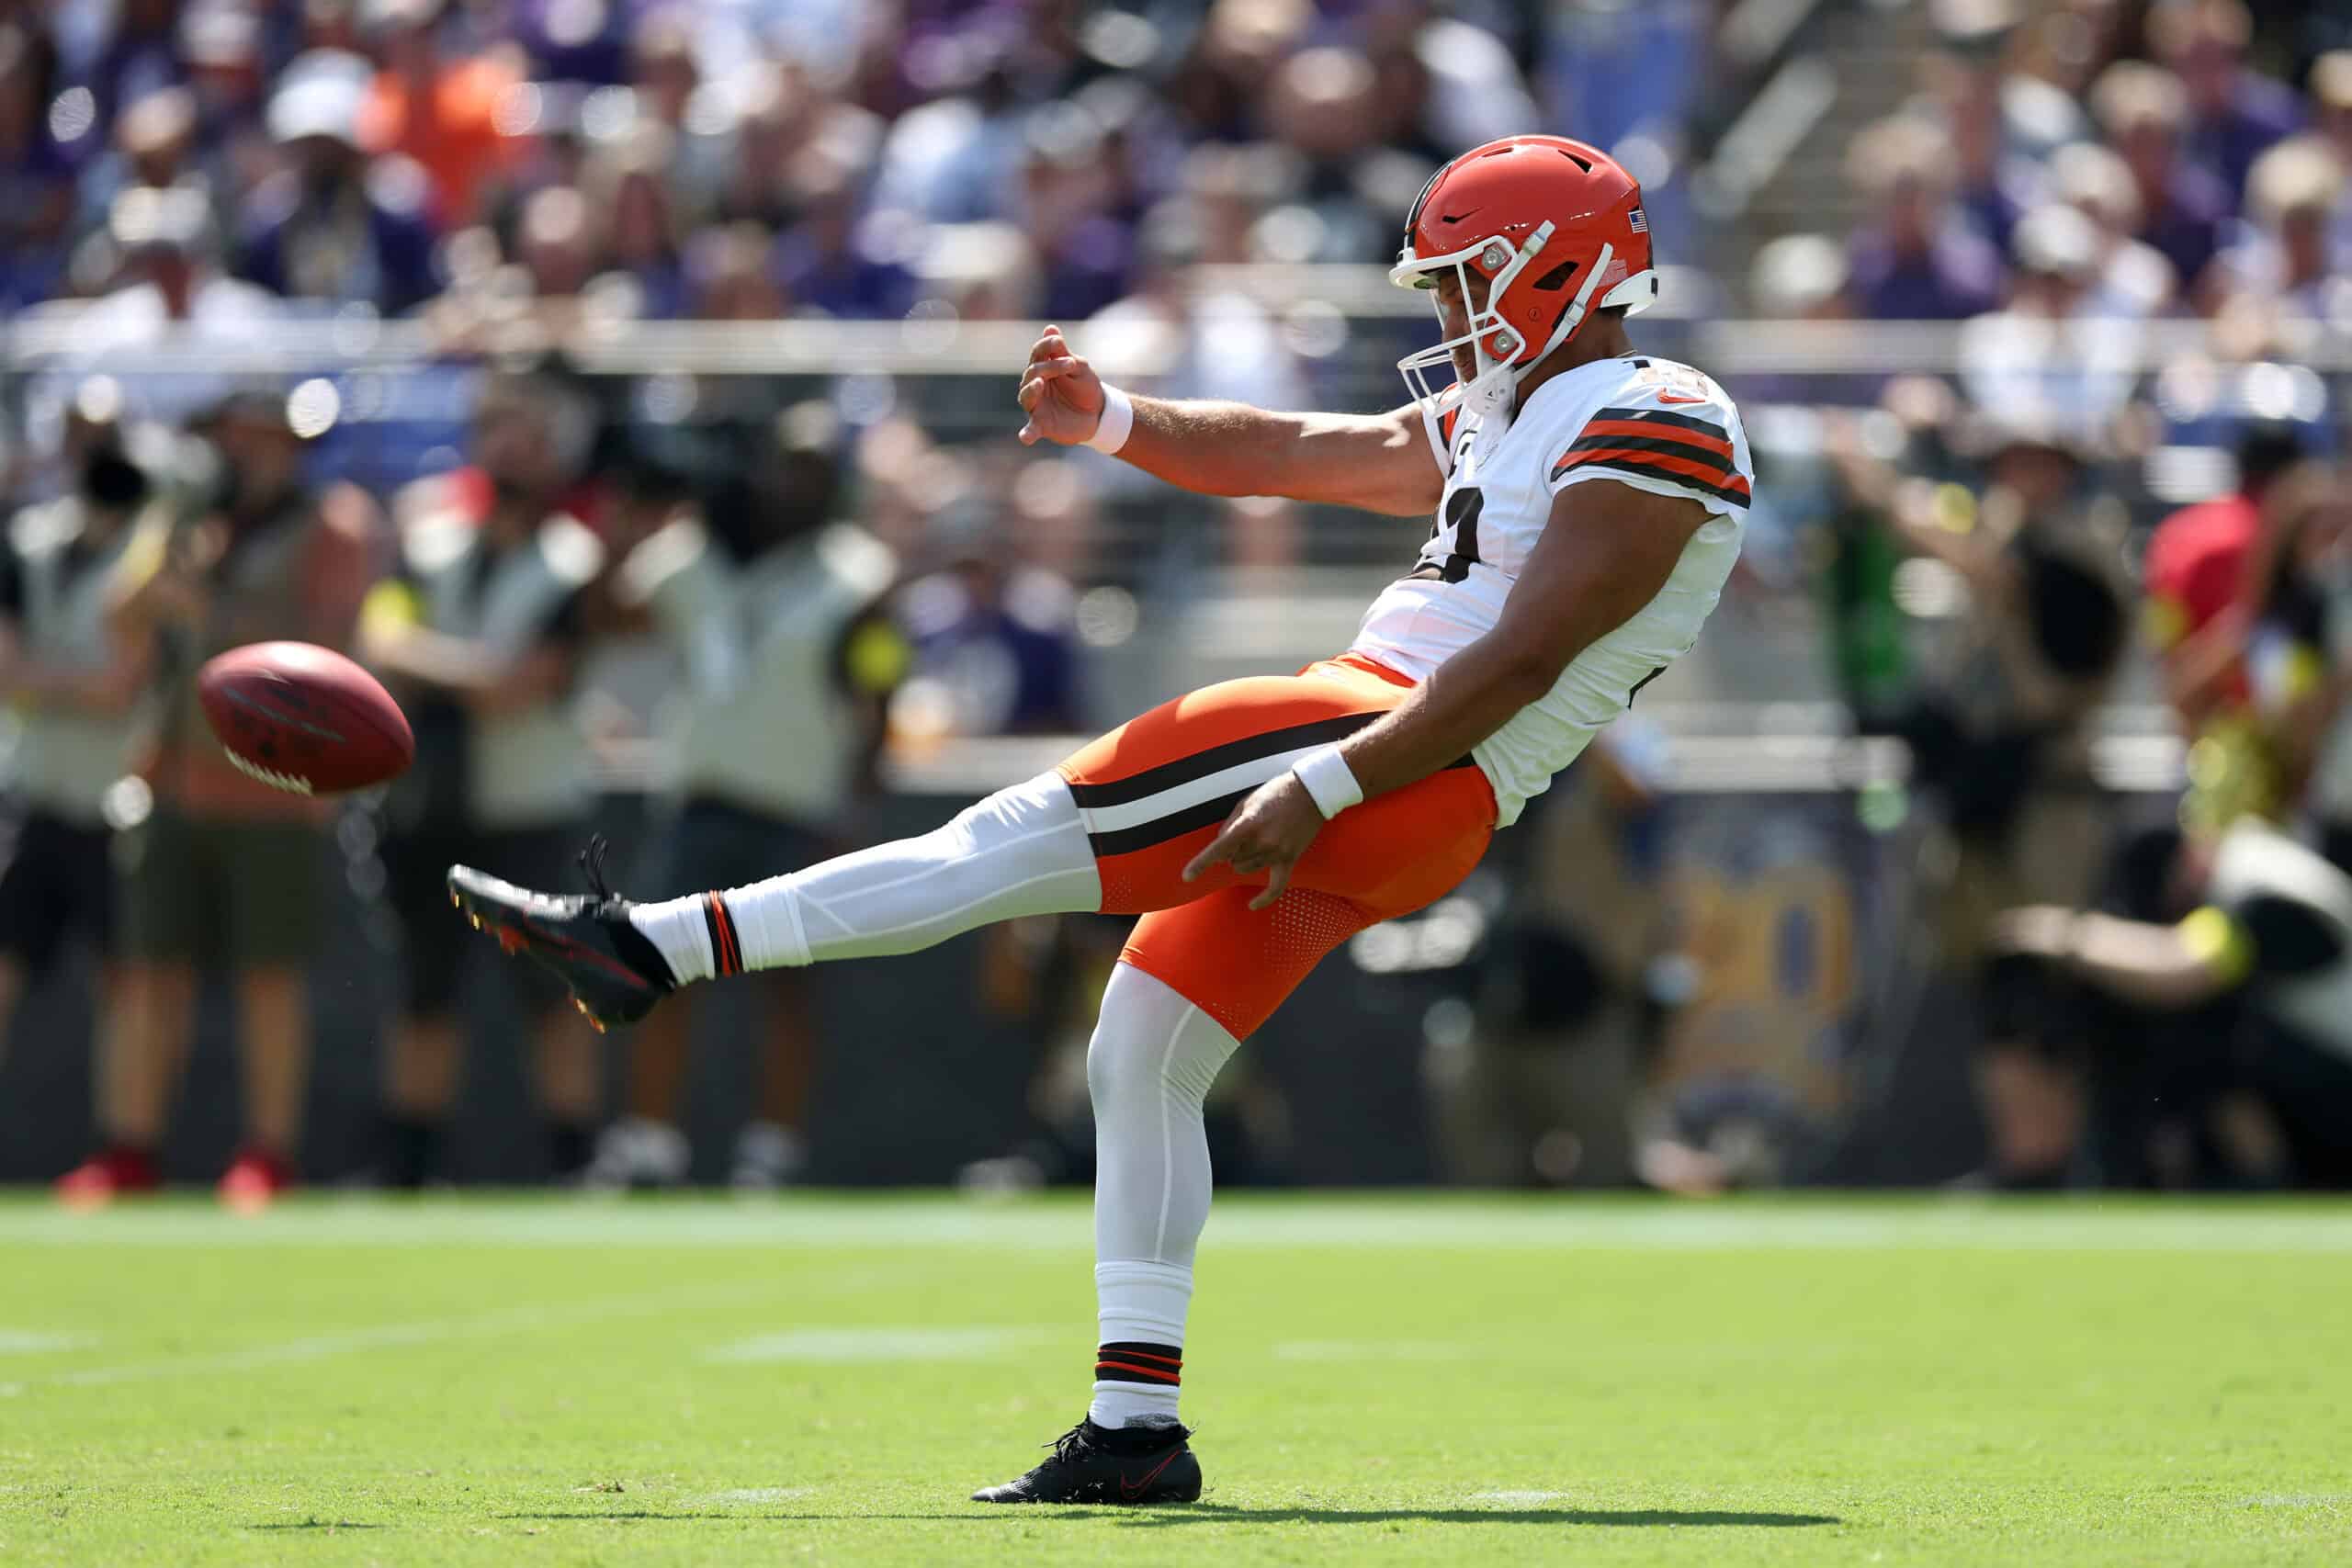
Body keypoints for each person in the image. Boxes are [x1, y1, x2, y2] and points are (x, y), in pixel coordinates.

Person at [449, 135, 1750, 1504]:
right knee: (1141, 1047)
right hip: (1422, 791)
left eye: (1463, 279)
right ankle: (1136, 1426)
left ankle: (652, 947)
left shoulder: (1659, 408)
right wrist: (1118, 418)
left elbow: (1525, 656)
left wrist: (1327, 776)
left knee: (1006, 839)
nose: (1444, 311)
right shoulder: (1527, 405)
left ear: (1561, 266)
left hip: (1386, 738)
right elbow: (1313, 449)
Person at [60, 387, 373, 1206]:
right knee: (148, 974)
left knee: (270, 979)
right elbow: (118, 616)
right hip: (170, 779)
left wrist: (212, 606)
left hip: (274, 795)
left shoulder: (334, 526)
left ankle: (268, 1151)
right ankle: (129, 1144)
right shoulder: (187, 518)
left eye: (267, 438)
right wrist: (166, 547)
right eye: (241, 436)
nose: (252, 452)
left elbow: (327, 647)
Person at [588, 406, 906, 1190]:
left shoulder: (857, 572)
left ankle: (771, 1154)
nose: (798, 483)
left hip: (796, 803)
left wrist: (858, 807)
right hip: (699, 794)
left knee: (790, 990)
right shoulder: (691, 554)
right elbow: (609, 617)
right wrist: (626, 518)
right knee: (661, 970)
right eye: (789, 463)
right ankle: (650, 1145)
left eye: (817, 470)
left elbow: (882, 688)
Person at [361, 372, 605, 1188]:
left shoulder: (575, 562)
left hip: (529, 804)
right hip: (431, 800)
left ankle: (574, 1159)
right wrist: (468, 670)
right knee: (423, 989)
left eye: (527, 436)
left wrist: (436, 668)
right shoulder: (429, 544)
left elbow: (527, 683)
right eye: (497, 433)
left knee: (554, 992)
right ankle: (407, 1163)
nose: (510, 451)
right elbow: (381, 635)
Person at [0, 388, 165, 1076]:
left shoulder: (158, 547)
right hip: (33, 794)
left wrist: (44, 680)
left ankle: (123, 1147)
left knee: (126, 984)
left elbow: (120, 688)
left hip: (120, 802)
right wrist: (73, 684)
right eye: (76, 434)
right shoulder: (30, 540)